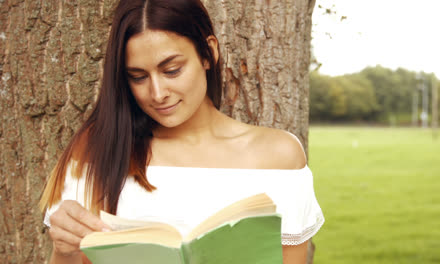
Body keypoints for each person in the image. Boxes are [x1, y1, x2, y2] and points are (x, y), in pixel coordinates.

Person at [39, 0, 324, 263]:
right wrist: (64, 252)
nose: (158, 93)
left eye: (172, 70)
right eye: (138, 77)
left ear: (208, 53)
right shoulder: (98, 150)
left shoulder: (278, 156)